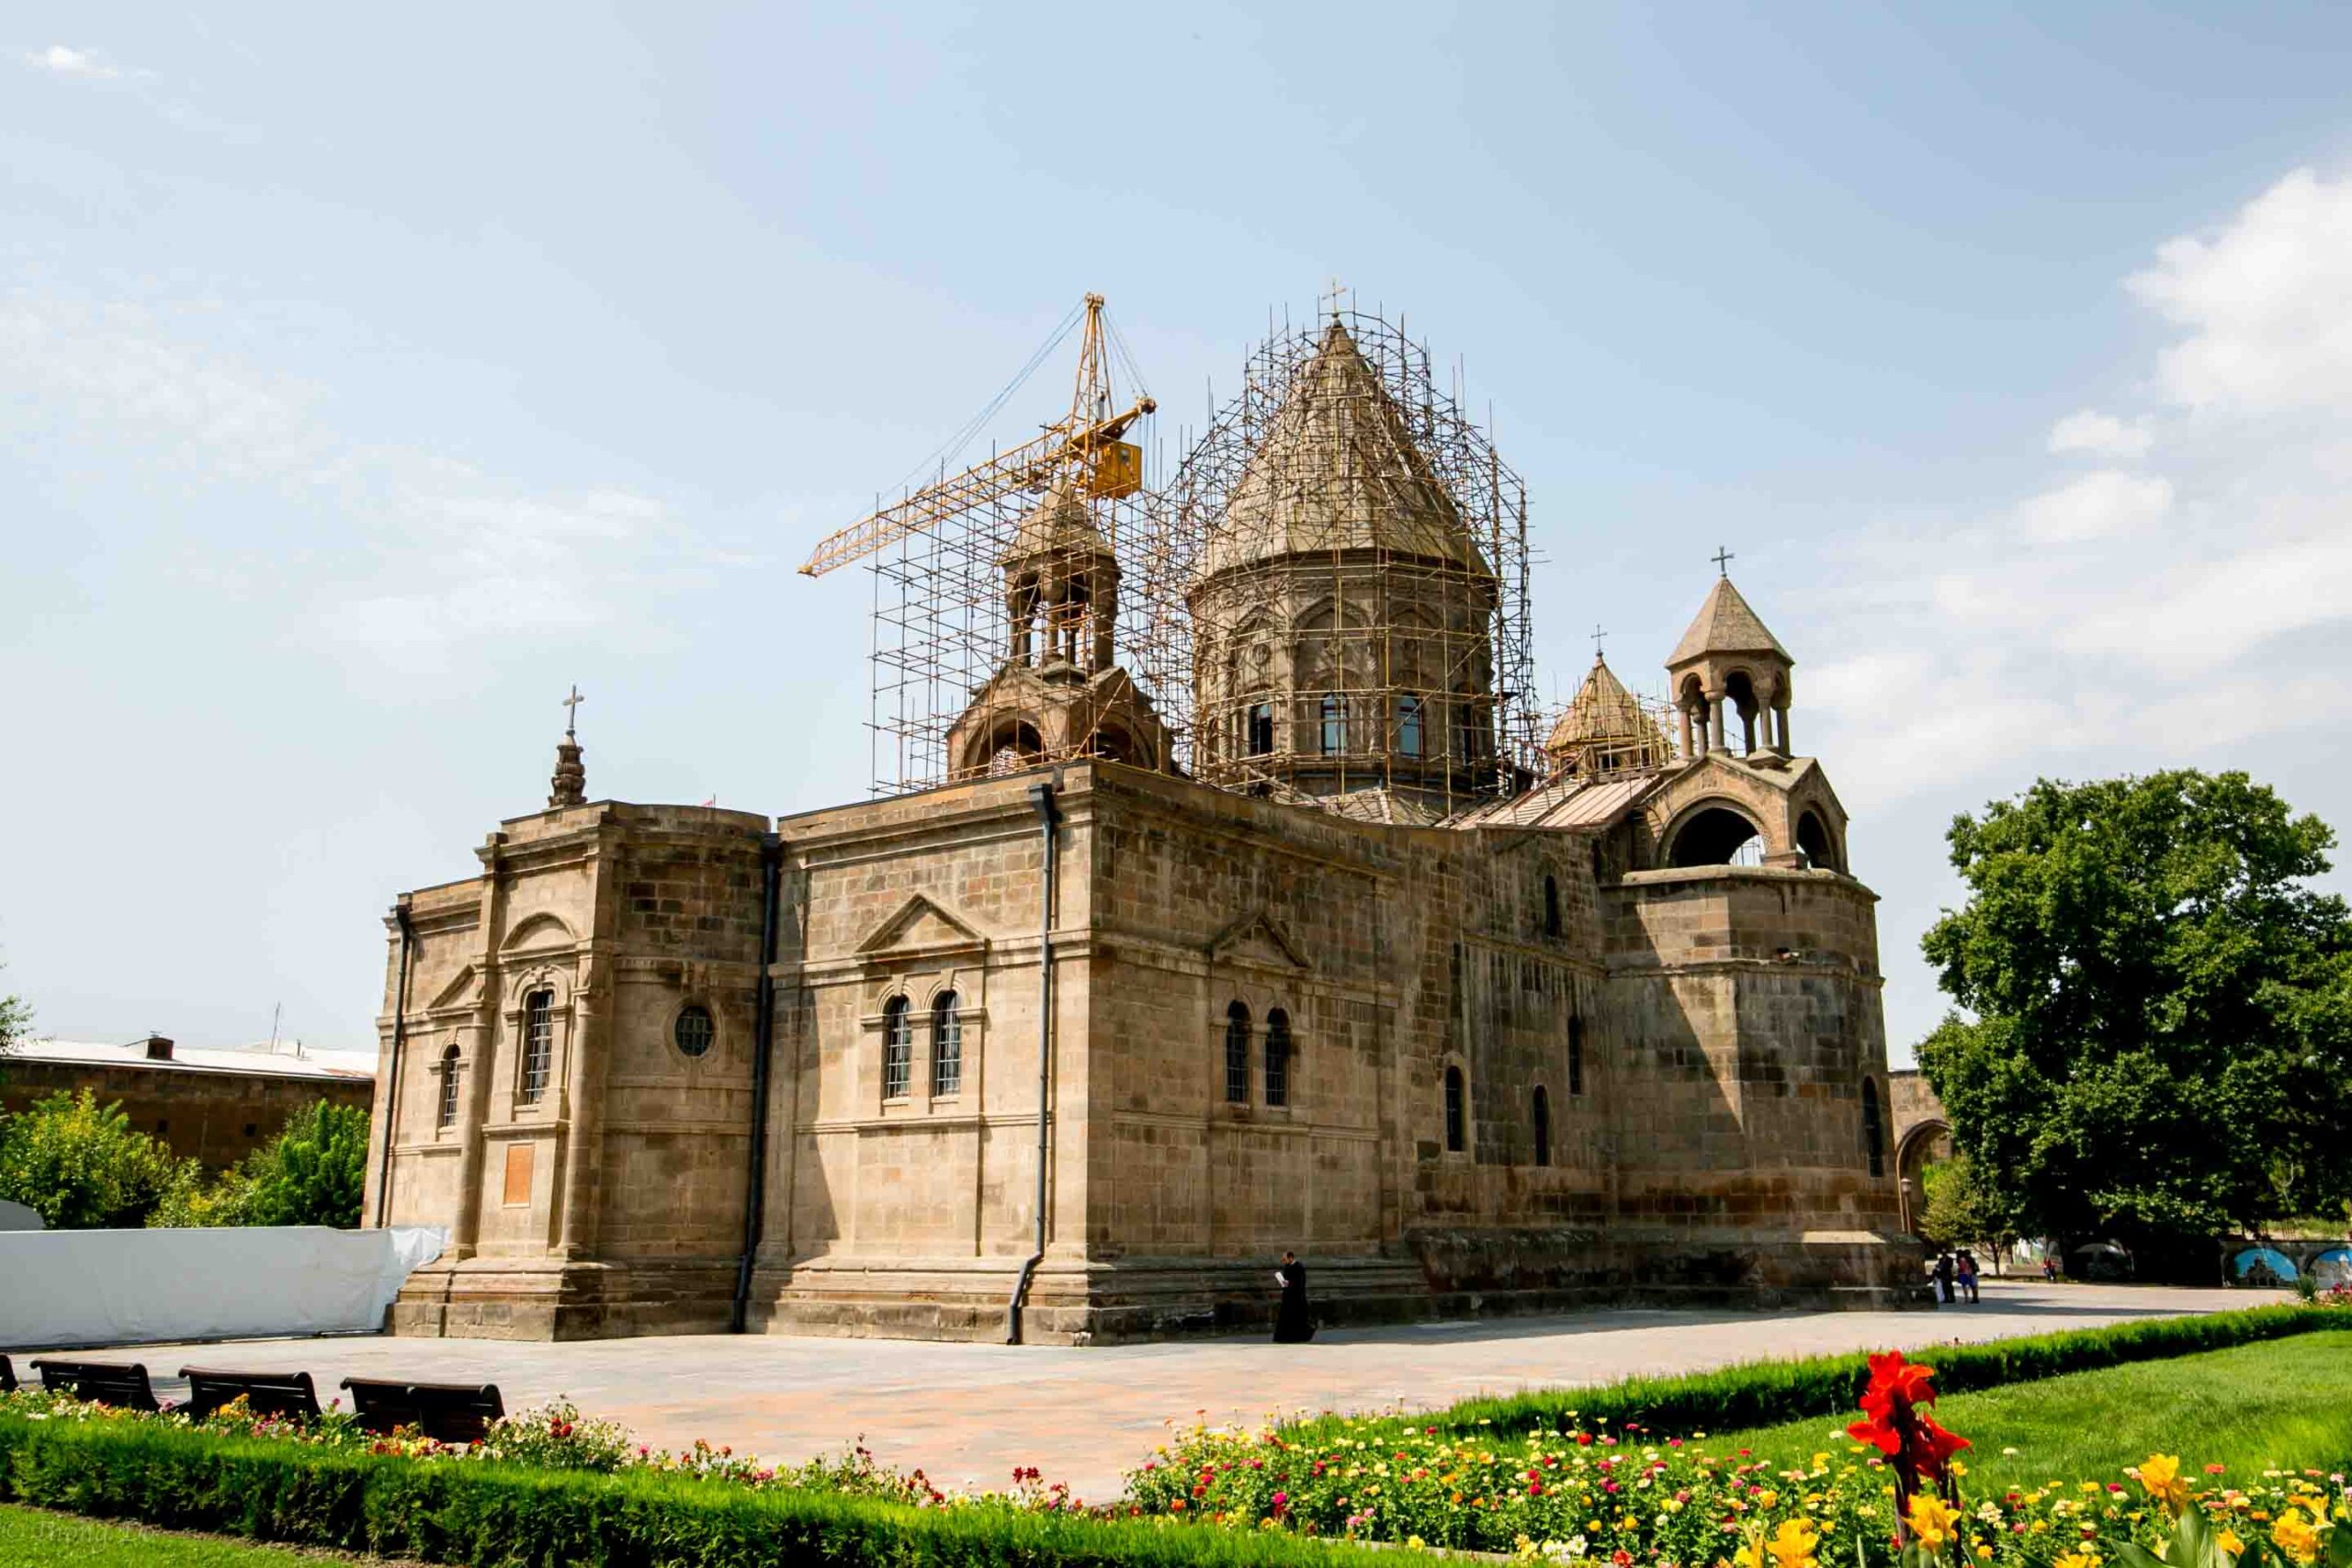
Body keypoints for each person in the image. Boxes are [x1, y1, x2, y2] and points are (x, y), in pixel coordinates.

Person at [1272, 1249, 1315, 1343]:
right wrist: (1283, 1282)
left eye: (1285, 1259)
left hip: (1297, 1297)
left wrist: (1289, 1284)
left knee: (1298, 1318)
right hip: (1287, 1297)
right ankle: (1284, 1338)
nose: (1283, 1261)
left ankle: (1299, 1337)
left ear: (1291, 1258)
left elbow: (1300, 1282)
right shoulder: (1286, 1267)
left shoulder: (1299, 1267)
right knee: (1285, 1318)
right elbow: (1285, 1280)